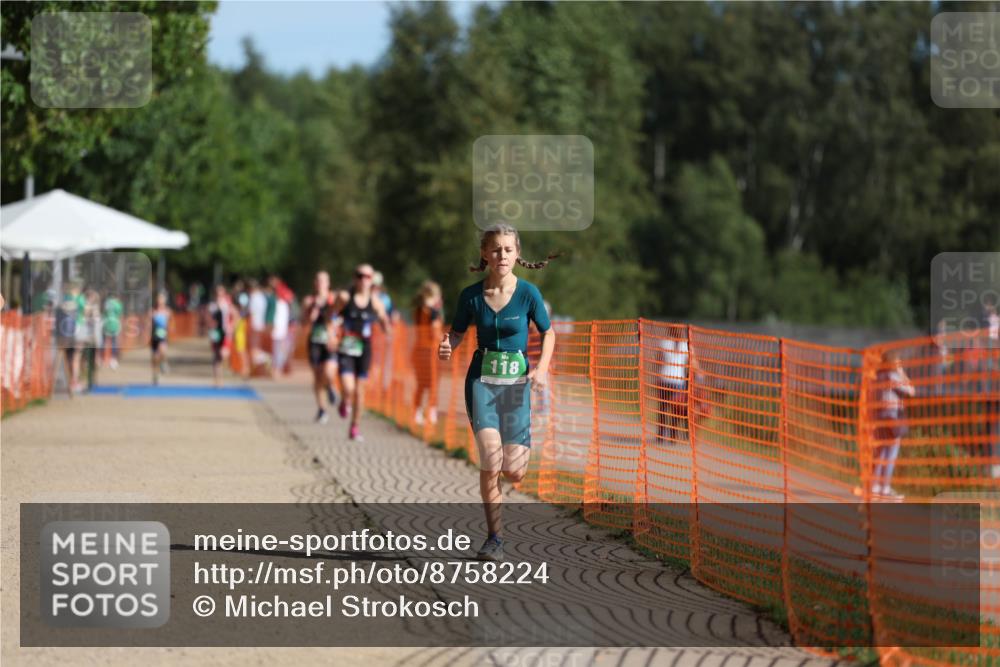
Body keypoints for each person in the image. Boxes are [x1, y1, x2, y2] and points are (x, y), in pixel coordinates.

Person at [438, 223, 558, 561]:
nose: (501, 255)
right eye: (495, 249)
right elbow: (456, 333)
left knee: (514, 471)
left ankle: (517, 456)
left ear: (517, 253)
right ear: (484, 254)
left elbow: (548, 333)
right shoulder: (471, 296)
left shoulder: (528, 294)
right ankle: (495, 539)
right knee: (491, 459)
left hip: (516, 389)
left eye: (508, 249)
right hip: (482, 385)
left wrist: (541, 369)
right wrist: (448, 345)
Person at [335, 264, 391, 441]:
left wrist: (387, 330)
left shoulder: (375, 302)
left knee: (360, 391)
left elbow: (385, 321)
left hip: (364, 349)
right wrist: (332, 330)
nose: (363, 280)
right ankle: (345, 400)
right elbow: (331, 315)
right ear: (354, 278)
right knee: (349, 388)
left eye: (367, 276)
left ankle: (354, 427)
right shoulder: (345, 297)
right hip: (347, 346)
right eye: (360, 275)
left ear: (372, 280)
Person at [871, 350, 915, 499]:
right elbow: (911, 390)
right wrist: (902, 372)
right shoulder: (892, 376)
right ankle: (885, 488)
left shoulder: (877, 376)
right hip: (891, 416)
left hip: (878, 416)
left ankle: (875, 486)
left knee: (881, 453)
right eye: (898, 361)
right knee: (891, 454)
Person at [303, 271, 340, 423]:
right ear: (315, 283)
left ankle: (330, 386)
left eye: (323, 281)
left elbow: (341, 318)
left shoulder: (334, 299)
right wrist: (312, 311)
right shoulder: (309, 301)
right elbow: (305, 322)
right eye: (318, 281)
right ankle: (322, 409)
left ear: (328, 283)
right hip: (315, 342)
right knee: (317, 376)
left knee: (328, 372)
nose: (320, 284)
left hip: (330, 341)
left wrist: (334, 331)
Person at [411, 280, 444, 426]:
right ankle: (432, 413)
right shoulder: (433, 313)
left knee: (421, 384)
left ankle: (417, 412)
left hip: (418, 351)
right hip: (431, 352)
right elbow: (435, 332)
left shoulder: (418, 311)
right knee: (433, 384)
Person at [651, 333, 690, 444]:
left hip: (669, 380)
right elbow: (692, 362)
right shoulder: (683, 345)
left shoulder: (667, 343)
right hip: (674, 381)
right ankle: (670, 435)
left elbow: (658, 360)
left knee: (666, 409)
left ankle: (663, 435)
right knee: (672, 409)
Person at [55, 281, 85, 397]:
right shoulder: (80, 299)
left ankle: (70, 382)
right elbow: (85, 312)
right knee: (76, 357)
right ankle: (74, 382)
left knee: (68, 358)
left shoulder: (65, 298)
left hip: (65, 332)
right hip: (78, 329)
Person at [206, 284, 233, 387]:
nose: (219, 296)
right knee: (216, 355)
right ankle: (217, 379)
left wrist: (231, 326)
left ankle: (225, 370)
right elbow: (208, 319)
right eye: (217, 294)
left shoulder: (227, 305)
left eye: (221, 294)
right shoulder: (212, 306)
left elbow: (235, 315)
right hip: (216, 332)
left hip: (225, 332)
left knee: (224, 354)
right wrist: (210, 329)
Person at [150, 292, 171, 385]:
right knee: (155, 357)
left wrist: (168, 332)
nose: (160, 301)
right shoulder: (153, 311)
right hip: (154, 336)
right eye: (159, 299)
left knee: (163, 351)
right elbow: (149, 324)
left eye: (162, 299)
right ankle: (155, 374)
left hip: (163, 335)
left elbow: (170, 324)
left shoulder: (167, 311)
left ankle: (164, 363)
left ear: (164, 301)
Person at [103, 291, 124, 370]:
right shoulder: (118, 304)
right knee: (114, 342)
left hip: (106, 323)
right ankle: (113, 359)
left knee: (106, 341)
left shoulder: (107, 303)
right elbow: (120, 315)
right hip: (115, 324)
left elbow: (104, 313)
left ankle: (105, 359)